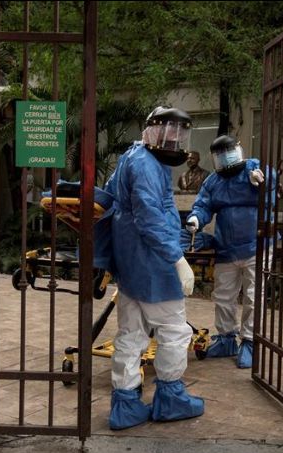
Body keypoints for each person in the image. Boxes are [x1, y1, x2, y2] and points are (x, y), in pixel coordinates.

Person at [103, 106, 204, 430]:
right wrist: (177, 259)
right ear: (153, 131)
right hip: (153, 265)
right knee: (175, 332)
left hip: (131, 265)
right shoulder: (147, 165)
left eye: (180, 133)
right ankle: (171, 399)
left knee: (131, 334)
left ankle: (126, 403)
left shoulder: (132, 157)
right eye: (169, 131)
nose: (175, 139)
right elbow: (150, 218)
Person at [185, 135, 272, 369]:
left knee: (254, 296)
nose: (224, 157)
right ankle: (226, 339)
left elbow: (272, 183)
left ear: (238, 150)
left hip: (257, 245)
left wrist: (261, 180)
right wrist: (195, 219)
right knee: (224, 296)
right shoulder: (213, 182)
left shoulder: (252, 168)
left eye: (228, 151)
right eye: (219, 154)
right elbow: (203, 205)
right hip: (226, 247)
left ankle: (251, 341)